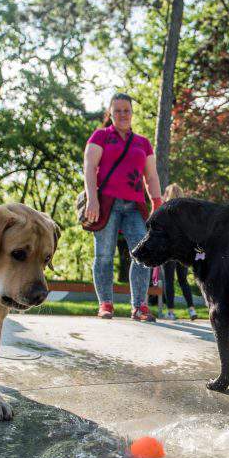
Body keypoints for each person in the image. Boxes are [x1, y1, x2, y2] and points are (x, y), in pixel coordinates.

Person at [82, 92, 162, 321]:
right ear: (111, 113)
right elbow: (89, 168)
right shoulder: (100, 137)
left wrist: (157, 202)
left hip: (135, 206)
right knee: (104, 255)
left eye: (126, 110)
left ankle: (139, 307)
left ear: (132, 113)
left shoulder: (142, 143)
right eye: (118, 110)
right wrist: (92, 199)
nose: (123, 114)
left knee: (142, 254)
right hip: (106, 203)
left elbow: (152, 176)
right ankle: (105, 304)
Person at [159, 184, 198, 321]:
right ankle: (192, 309)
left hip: (168, 250)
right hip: (182, 250)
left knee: (168, 281)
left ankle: (170, 311)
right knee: (183, 280)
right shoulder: (187, 213)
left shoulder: (164, 211)